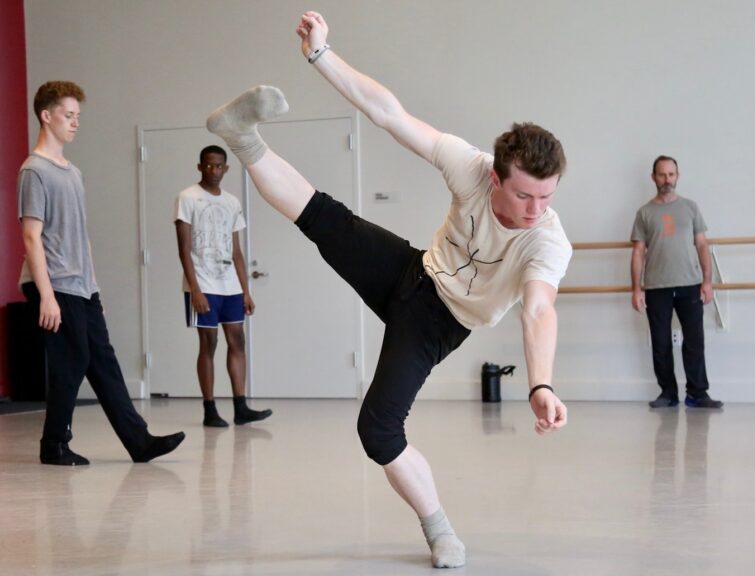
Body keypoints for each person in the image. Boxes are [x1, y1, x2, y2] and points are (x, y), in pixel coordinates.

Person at [204, 11, 570, 569]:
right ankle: (243, 139)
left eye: (547, 198)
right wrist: (322, 55)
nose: (536, 211)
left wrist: (541, 383)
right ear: (497, 177)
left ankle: (439, 528)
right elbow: (388, 113)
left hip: (439, 323)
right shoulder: (472, 167)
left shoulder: (547, 240)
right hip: (413, 271)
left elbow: (538, 310)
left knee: (377, 428)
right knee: (324, 218)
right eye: (526, 197)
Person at [18, 81, 186, 466]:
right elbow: (30, 235)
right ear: (46, 116)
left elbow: (81, 235)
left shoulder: (72, 172)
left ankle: (138, 441)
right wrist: (45, 295)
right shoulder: (34, 171)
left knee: (103, 362)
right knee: (71, 361)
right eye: (68, 115)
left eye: (78, 116)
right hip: (53, 283)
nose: (75, 123)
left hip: (81, 286)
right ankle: (54, 444)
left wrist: (95, 288)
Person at [174, 145, 272, 427]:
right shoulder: (187, 198)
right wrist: (195, 289)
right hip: (202, 284)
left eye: (218, 166)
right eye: (208, 165)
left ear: (225, 169)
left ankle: (240, 407)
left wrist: (245, 290)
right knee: (209, 342)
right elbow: (183, 248)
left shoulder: (231, 202)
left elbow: (237, 251)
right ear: (199, 166)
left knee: (236, 340)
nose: (213, 171)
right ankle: (209, 409)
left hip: (230, 285)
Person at [631, 155, 723, 409]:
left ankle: (697, 393)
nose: (667, 180)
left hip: (690, 284)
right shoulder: (644, 212)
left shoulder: (690, 207)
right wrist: (637, 288)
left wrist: (708, 282)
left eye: (671, 174)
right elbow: (638, 251)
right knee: (660, 343)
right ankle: (668, 393)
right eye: (662, 175)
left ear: (677, 176)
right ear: (653, 177)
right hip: (656, 287)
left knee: (694, 341)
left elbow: (702, 245)